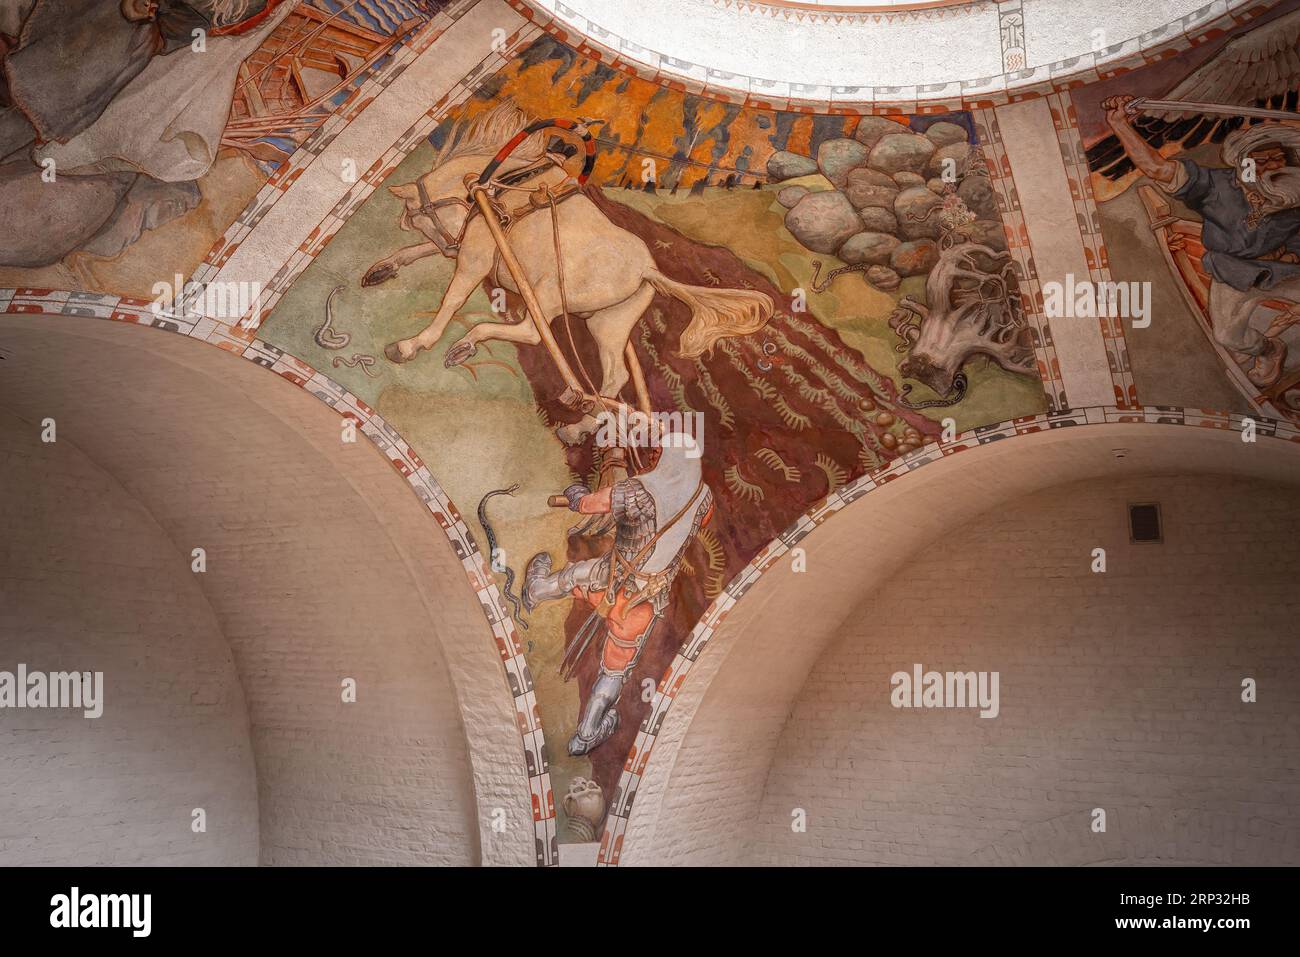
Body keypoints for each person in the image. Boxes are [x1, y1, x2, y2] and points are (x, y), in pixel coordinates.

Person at [523, 432, 714, 756]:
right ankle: (585, 735)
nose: (653, 457)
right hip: (644, 604)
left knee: (574, 576)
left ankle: (537, 590)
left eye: (659, 453)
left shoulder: (638, 491)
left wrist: (575, 493)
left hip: (611, 579)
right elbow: (700, 522)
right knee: (615, 670)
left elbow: (588, 504)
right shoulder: (703, 497)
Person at [1102, 94, 1300, 388]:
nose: (1271, 166)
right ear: (1244, 164)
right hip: (1231, 271)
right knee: (1227, 336)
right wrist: (1120, 125)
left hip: (1283, 269)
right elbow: (1157, 169)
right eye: (1261, 161)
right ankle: (1270, 350)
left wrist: (1290, 258)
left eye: (1278, 159)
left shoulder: (1293, 192)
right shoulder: (1214, 186)